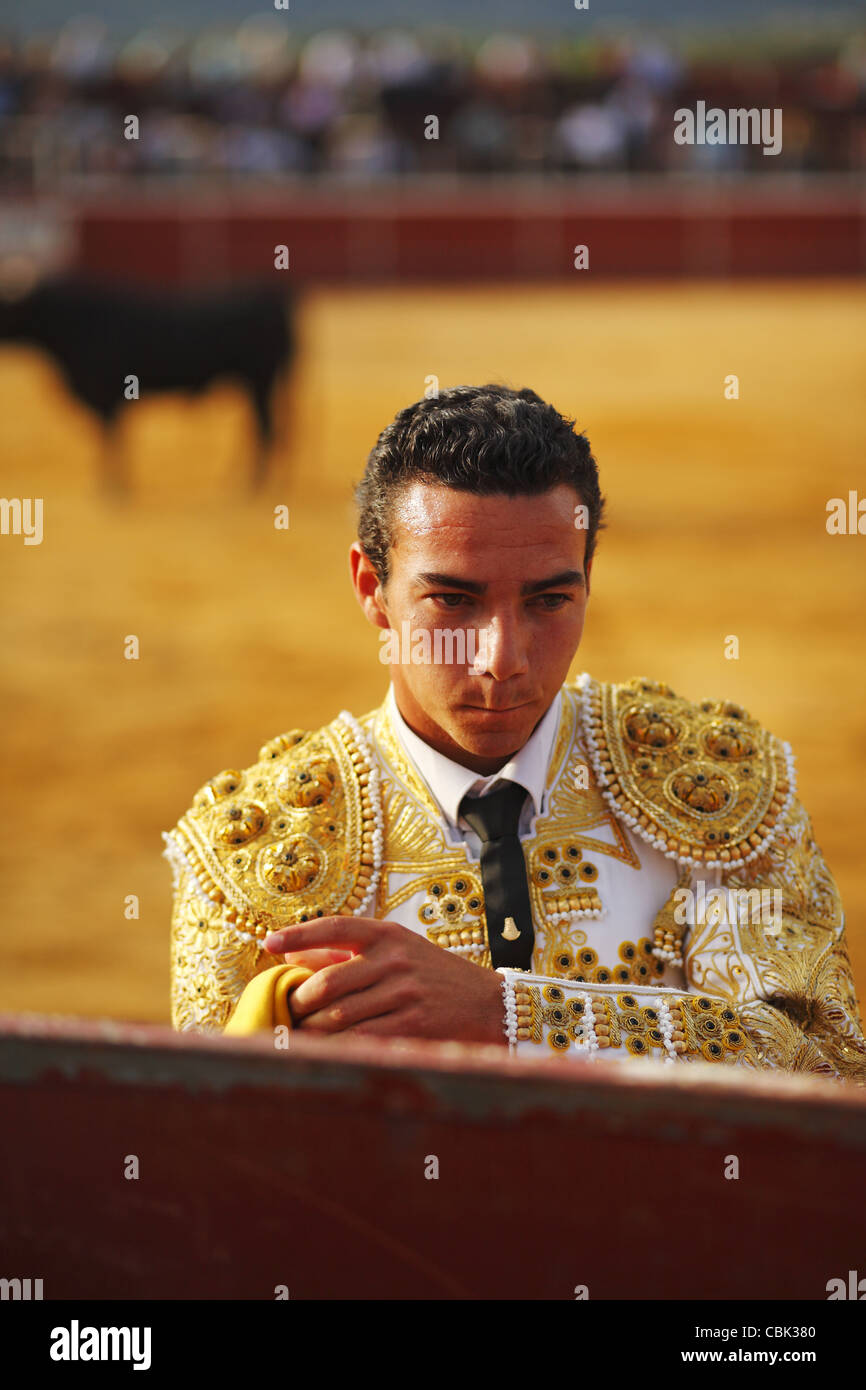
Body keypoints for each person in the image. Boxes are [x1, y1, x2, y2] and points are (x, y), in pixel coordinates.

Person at [163, 384, 866, 1082]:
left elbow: (823, 1067)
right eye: (452, 600)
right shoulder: (253, 858)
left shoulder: (718, 790)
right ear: (370, 588)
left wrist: (509, 1017)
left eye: (549, 600)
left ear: (588, 578)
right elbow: (223, 1155)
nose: (503, 659)